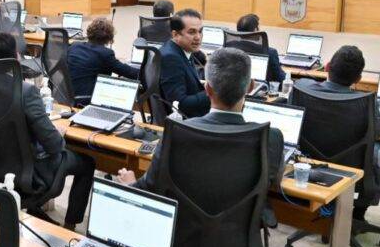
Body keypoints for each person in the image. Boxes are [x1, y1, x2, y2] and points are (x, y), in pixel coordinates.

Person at [0, 32, 95, 228]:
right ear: (16, 56)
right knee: (87, 162)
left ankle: (35, 210)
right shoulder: (26, 91)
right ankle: (70, 226)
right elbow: (54, 146)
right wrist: (58, 133)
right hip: (26, 175)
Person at [117, 47, 284, 193]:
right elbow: (270, 184)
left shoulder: (176, 133)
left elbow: (150, 186)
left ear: (207, 89)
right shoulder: (272, 138)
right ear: (250, 87)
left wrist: (130, 183)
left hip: (185, 228)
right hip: (239, 229)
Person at [294, 45, 380, 134]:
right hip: (349, 147)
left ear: (327, 67)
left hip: (305, 148)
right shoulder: (367, 103)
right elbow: (376, 133)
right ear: (358, 79)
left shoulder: (300, 87)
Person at [67, 18, 139, 104]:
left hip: (66, 95)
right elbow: (130, 73)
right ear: (109, 37)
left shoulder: (74, 46)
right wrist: (150, 70)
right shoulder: (106, 54)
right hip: (86, 99)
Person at [160, 9, 209, 117]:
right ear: (175, 34)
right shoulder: (171, 58)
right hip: (188, 123)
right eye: (192, 32)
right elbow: (181, 104)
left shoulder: (182, 49)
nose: (198, 37)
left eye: (200, 31)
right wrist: (216, 92)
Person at [230, 14, 285, 83]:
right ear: (255, 30)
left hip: (235, 88)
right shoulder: (270, 52)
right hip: (260, 89)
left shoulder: (230, 47)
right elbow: (281, 78)